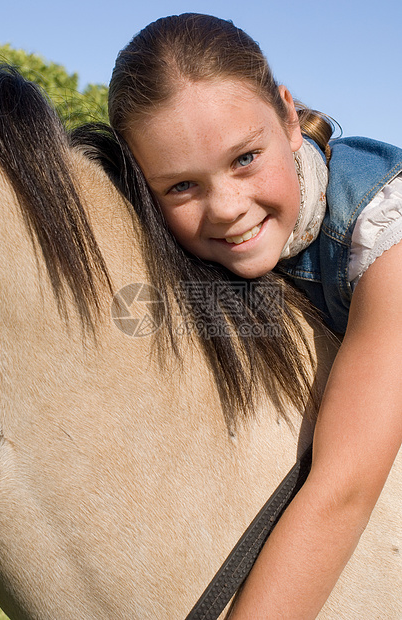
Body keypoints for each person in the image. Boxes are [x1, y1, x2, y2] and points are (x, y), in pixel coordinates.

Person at [106, 13, 402, 618]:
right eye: (182, 185)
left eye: (244, 158)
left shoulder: (383, 228)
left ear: (289, 118)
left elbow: (343, 488)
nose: (227, 209)